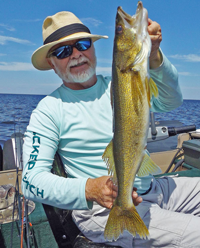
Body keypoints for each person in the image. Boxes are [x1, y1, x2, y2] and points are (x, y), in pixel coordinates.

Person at [21, 11, 200, 248]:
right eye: (62, 51)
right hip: (103, 210)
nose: (76, 54)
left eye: (82, 44)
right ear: (52, 64)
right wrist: (89, 189)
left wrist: (154, 54)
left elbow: (171, 100)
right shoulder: (48, 110)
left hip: (153, 187)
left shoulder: (120, 82)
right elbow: (31, 181)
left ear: (93, 49)